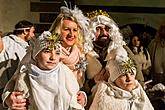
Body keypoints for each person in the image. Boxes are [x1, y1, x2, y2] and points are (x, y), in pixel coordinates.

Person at [2, 31, 85, 110]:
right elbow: (17, 100)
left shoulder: (65, 73)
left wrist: (81, 97)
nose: (53, 57)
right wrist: (9, 99)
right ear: (36, 55)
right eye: (47, 51)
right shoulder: (25, 76)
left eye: (57, 53)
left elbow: (75, 96)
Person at [83, 10, 144, 109]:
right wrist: (92, 82)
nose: (104, 33)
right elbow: (77, 85)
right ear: (90, 31)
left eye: (107, 28)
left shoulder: (123, 49)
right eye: (98, 29)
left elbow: (139, 76)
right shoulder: (83, 53)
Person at [89, 46, 154, 110]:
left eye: (131, 74)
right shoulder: (105, 96)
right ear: (114, 79)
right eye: (123, 75)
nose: (129, 79)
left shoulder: (139, 92)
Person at [49, 6, 90, 88]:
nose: (71, 34)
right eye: (67, 29)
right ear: (58, 30)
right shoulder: (48, 52)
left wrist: (83, 96)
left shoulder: (81, 53)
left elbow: (85, 86)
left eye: (74, 30)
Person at [0, 20, 35, 103]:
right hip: (5, 89)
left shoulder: (27, 46)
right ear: (25, 31)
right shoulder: (5, 42)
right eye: (32, 32)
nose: (33, 35)